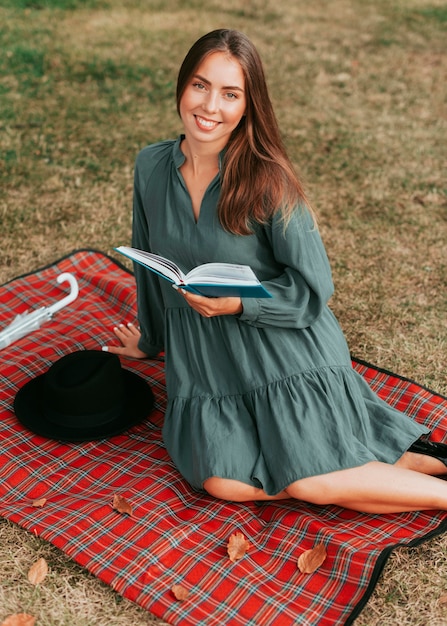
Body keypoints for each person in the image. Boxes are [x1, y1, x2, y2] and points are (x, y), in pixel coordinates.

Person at [105, 28, 447, 514]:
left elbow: (312, 289)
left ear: (248, 105)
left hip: (282, 347)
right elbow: (148, 262)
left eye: (230, 93)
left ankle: (419, 487)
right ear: (182, 86)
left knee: (309, 481)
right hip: (207, 361)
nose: (210, 106)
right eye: (200, 85)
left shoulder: (268, 179)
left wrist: (240, 303)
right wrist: (150, 341)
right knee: (222, 480)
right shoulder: (150, 166)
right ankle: (381, 464)